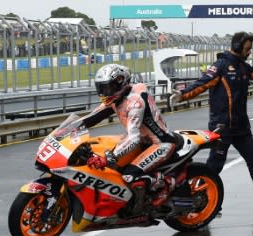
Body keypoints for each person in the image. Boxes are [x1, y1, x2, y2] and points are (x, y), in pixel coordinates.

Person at [170, 32, 253, 209]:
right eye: (247, 49)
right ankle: (200, 201)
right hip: (222, 127)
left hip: (241, 127)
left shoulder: (243, 67)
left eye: (250, 49)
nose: (250, 52)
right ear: (237, 47)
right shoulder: (220, 66)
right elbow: (202, 83)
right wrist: (182, 95)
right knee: (214, 166)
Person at [75, 64, 182, 206]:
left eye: (107, 88)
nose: (104, 92)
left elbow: (133, 138)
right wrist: (69, 128)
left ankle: (166, 183)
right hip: (143, 141)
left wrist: (108, 158)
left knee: (128, 175)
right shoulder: (116, 98)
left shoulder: (134, 102)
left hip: (160, 143)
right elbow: (93, 117)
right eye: (101, 88)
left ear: (120, 83)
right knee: (113, 165)